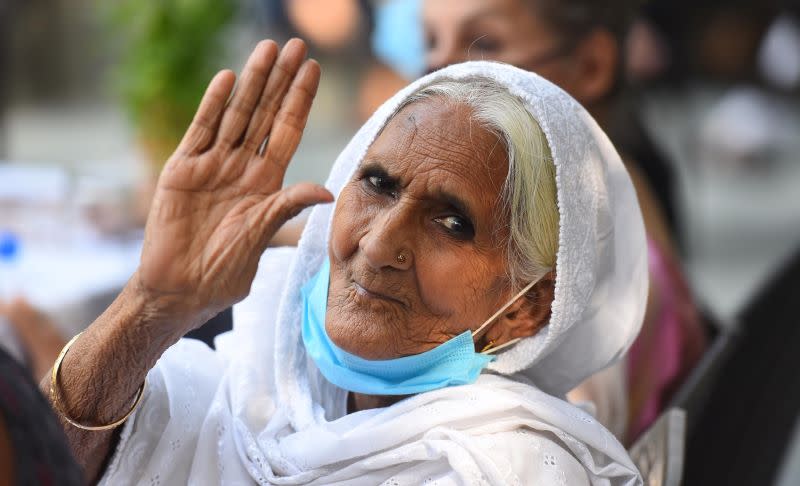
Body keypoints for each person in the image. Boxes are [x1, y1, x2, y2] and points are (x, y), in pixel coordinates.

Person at [44, 39, 646, 484]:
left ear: (527, 308)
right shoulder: (254, 382)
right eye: (378, 184)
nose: (380, 244)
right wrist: (152, 306)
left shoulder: (505, 469)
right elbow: (40, 466)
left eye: (453, 223)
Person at [422, 0, 707, 440]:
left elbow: (552, 442)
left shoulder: (588, 277)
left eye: (485, 43)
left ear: (592, 66)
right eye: (430, 42)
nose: (438, 70)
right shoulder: (615, 186)